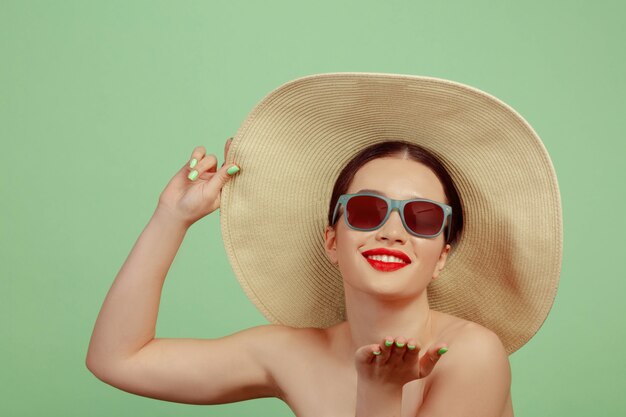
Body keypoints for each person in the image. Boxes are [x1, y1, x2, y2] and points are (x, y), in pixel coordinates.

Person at [86, 73, 562, 417]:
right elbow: (117, 359)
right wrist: (172, 218)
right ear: (332, 240)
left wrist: (379, 394)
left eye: (422, 217)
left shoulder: (472, 354)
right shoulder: (291, 353)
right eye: (367, 211)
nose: (392, 231)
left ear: (443, 255)